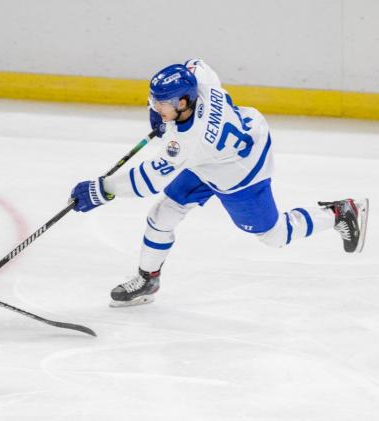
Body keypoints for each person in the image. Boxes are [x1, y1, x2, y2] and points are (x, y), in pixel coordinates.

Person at [70, 59, 369, 308]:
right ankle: (148, 280)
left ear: (183, 102)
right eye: (154, 102)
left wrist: (102, 189)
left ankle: (340, 213)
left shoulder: (185, 142)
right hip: (222, 151)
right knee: (164, 213)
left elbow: (146, 180)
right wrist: (159, 112)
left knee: (274, 234)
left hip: (242, 170)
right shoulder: (200, 82)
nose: (156, 108)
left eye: (161, 104)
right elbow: (196, 63)